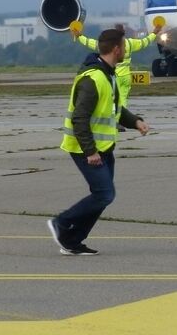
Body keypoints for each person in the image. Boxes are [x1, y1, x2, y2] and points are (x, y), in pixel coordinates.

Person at [48, 28, 150, 255]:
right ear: (116, 49)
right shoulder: (93, 79)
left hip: (103, 146)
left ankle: (72, 241)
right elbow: (79, 118)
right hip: (85, 148)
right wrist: (90, 152)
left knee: (102, 196)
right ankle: (62, 223)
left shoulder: (108, 75)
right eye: (123, 47)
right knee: (104, 194)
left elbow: (114, 108)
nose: (125, 50)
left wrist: (136, 122)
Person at [74, 21, 163, 110]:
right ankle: (122, 116)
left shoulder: (108, 45)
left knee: (111, 98)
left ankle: (114, 116)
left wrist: (79, 36)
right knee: (123, 99)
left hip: (114, 76)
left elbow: (90, 43)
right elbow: (145, 42)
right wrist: (154, 33)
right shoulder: (130, 43)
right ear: (124, 32)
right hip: (125, 76)